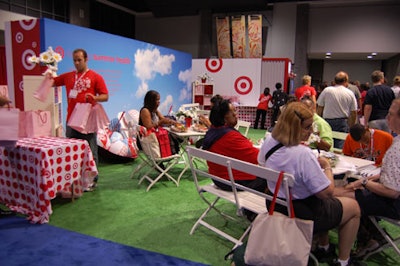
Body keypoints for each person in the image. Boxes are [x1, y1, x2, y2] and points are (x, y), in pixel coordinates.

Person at [258, 102, 361, 266]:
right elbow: (326, 192)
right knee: (353, 207)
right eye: (307, 127)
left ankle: (324, 245)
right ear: (293, 127)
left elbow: (262, 163)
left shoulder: (269, 143)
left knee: (330, 196)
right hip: (304, 212)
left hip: (276, 204)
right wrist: (326, 166)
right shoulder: (303, 154)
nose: (311, 131)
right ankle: (343, 261)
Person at [335, 98, 400, 258]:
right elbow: (390, 175)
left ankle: (342, 248)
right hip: (390, 195)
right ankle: (371, 237)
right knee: (349, 190)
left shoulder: (395, 147)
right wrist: (366, 182)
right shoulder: (396, 141)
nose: (387, 119)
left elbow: (391, 192)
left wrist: (364, 182)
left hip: (393, 202)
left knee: (339, 195)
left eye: (391, 115)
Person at [52, 48, 109, 191]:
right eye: (74, 60)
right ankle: (75, 180)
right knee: (72, 152)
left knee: (90, 150)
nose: (77, 63)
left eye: (79, 60)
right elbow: (52, 82)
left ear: (86, 59)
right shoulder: (68, 76)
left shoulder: (96, 77)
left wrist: (94, 98)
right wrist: (47, 68)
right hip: (71, 120)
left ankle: (92, 181)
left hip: (87, 121)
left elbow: (105, 96)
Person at [202, 99, 266, 193]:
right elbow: (259, 158)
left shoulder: (213, 131)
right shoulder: (231, 137)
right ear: (224, 117)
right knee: (273, 179)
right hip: (233, 181)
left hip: (218, 178)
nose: (236, 114)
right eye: (232, 112)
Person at [317, 71, 357, 149]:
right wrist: (351, 126)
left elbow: (320, 108)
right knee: (339, 147)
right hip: (342, 122)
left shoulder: (327, 91)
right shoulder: (350, 93)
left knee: (326, 144)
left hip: (327, 122)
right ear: (346, 81)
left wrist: (318, 122)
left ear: (335, 81)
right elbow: (354, 112)